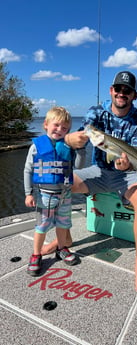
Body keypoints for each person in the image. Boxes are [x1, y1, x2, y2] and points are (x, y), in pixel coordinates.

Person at [63, 71, 137, 293]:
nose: (122, 93)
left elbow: (134, 158)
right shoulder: (96, 111)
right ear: (111, 91)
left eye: (127, 91)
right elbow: (84, 134)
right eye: (118, 89)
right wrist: (69, 140)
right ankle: (63, 240)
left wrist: (129, 165)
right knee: (61, 182)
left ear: (134, 95)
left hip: (127, 174)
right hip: (99, 170)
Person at [24, 106, 86, 276]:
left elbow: (79, 166)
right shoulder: (36, 146)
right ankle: (36, 254)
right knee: (42, 226)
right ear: (46, 124)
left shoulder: (68, 147)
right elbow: (28, 170)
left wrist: (81, 149)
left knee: (62, 224)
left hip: (65, 194)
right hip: (45, 195)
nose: (60, 130)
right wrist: (28, 193)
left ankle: (61, 248)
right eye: (56, 125)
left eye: (65, 128)